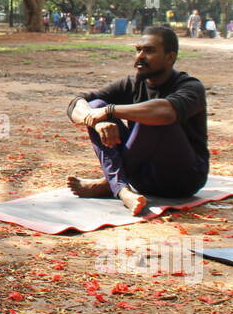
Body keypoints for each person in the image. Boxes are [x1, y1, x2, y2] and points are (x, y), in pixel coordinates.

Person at [66, 26, 208, 216]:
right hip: (141, 178)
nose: (140, 56)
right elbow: (75, 105)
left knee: (150, 115)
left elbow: (165, 113)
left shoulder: (191, 87)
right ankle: (122, 189)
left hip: (182, 180)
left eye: (149, 51)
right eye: (138, 50)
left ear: (170, 57)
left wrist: (109, 111)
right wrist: (96, 121)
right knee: (95, 104)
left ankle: (110, 183)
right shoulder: (131, 84)